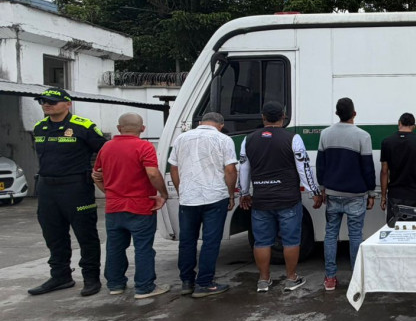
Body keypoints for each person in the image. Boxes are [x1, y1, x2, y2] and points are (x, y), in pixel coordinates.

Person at [28, 87, 107, 297]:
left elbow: (106, 152)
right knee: (53, 234)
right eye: (43, 101)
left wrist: (99, 175)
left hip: (76, 187)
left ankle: (91, 277)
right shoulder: (39, 127)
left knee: (85, 234)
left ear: (67, 104)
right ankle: (60, 276)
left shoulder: (84, 127)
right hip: (46, 188)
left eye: (52, 102)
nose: (46, 104)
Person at [239, 101, 320, 294]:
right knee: (291, 240)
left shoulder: (248, 139)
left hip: (261, 200)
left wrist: (244, 193)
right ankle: (291, 279)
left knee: (262, 241)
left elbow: (244, 168)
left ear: (263, 118)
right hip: (288, 199)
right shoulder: (293, 138)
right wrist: (314, 192)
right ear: (283, 117)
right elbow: (304, 167)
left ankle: (263, 280)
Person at [92, 113, 170, 299]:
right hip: (140, 206)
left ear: (119, 128)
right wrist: (163, 194)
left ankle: (115, 284)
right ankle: (144, 287)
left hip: (114, 207)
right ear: (142, 129)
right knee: (143, 247)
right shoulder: (144, 146)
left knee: (115, 246)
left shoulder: (106, 147)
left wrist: (109, 192)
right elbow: (152, 173)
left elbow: (96, 175)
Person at [168, 111, 238, 297]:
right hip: (215, 197)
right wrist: (231, 194)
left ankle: (187, 282)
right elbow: (230, 170)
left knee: (187, 240)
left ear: (200, 122)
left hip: (188, 198)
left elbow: (173, 168)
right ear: (221, 125)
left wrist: (181, 190)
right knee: (210, 241)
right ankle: (205, 283)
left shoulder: (181, 138)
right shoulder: (224, 140)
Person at [315, 97, 375, 291]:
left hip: (332, 193)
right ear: (354, 114)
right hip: (356, 195)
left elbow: (320, 164)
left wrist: (322, 188)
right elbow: (368, 168)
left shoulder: (325, 134)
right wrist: (371, 192)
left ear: (337, 113)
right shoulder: (363, 136)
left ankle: (330, 278)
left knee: (331, 234)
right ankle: (357, 279)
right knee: (355, 235)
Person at [380, 112, 416, 222]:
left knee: (393, 231)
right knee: (414, 232)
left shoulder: (387, 142)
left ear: (399, 123)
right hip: (415, 195)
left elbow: (384, 171)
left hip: (394, 195)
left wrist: (383, 196)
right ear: (414, 126)